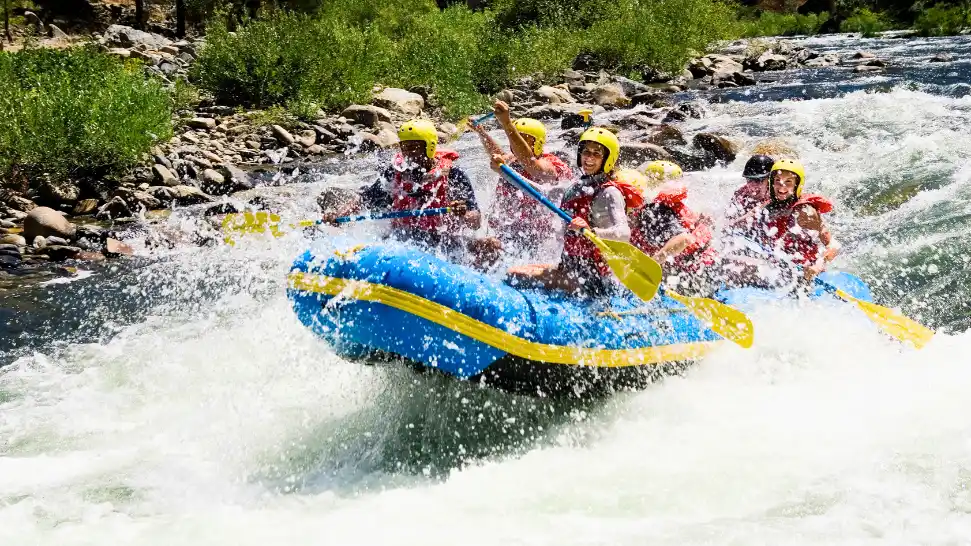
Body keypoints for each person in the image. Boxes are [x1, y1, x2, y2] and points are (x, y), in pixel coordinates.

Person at [317, 119, 494, 261]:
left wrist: (463, 213)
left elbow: (475, 221)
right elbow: (365, 199)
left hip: (443, 240)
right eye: (405, 147)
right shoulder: (395, 172)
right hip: (402, 237)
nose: (408, 153)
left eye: (414, 147)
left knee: (489, 247)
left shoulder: (453, 174)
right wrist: (338, 216)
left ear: (429, 146)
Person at [506, 127, 643, 298]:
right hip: (570, 268)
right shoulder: (576, 186)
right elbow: (540, 193)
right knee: (516, 270)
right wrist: (505, 171)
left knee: (515, 275)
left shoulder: (609, 193)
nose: (589, 158)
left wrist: (591, 231)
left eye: (596, 154)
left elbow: (624, 233)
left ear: (608, 159)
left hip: (593, 279)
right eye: (586, 152)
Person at [471, 101, 573, 255]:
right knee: (476, 246)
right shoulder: (512, 159)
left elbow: (533, 166)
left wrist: (507, 123)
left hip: (538, 237)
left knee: (489, 249)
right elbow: (498, 153)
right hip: (509, 230)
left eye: (523, 139)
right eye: (515, 138)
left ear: (538, 144)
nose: (516, 143)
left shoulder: (553, 165)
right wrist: (481, 132)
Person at [726, 159, 841, 287]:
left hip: (803, 271)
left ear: (797, 185)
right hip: (777, 266)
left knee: (738, 271)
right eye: (778, 181)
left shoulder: (804, 211)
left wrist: (818, 265)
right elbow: (737, 223)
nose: (782, 187)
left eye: (788, 182)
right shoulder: (769, 205)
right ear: (772, 183)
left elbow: (833, 245)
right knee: (731, 264)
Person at [625, 161, 717, 292]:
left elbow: (684, 239)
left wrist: (650, 266)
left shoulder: (653, 212)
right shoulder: (672, 204)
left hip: (695, 274)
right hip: (708, 265)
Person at [726, 154, 774, 222]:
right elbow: (727, 218)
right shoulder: (741, 194)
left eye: (758, 181)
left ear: (770, 180)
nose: (753, 187)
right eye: (749, 180)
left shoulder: (776, 196)